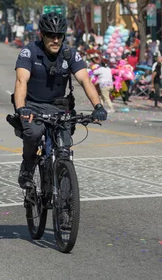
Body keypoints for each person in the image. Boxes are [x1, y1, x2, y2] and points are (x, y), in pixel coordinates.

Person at [13, 12, 107, 188]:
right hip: (32, 106)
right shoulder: (29, 51)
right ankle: (27, 168)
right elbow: (21, 81)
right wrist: (21, 108)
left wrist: (98, 106)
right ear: (42, 35)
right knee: (33, 134)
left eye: (59, 36)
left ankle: (65, 195)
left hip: (59, 107)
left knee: (64, 147)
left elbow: (85, 80)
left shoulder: (70, 54)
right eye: (50, 35)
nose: (55, 40)